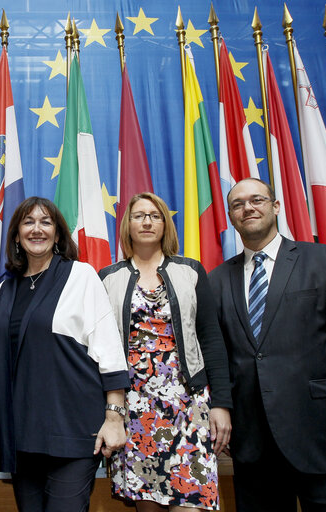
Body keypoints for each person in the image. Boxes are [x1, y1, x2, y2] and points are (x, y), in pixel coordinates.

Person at [208, 178, 326, 511]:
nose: (248, 207)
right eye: (238, 204)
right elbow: (220, 357)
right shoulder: (216, 280)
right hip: (254, 448)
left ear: (275, 207)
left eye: (257, 199)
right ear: (231, 217)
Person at [0, 196, 130, 512]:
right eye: (28, 222)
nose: (36, 229)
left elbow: (109, 351)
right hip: (21, 434)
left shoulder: (81, 276)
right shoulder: (5, 287)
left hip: (74, 431)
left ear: (58, 233)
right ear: (16, 235)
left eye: (45, 222)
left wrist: (114, 417)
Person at [99, 192, 232, 511]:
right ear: (127, 225)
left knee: (192, 505)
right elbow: (102, 350)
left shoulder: (191, 272)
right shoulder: (108, 278)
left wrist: (222, 405)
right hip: (136, 412)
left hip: (188, 410)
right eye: (138, 215)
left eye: (154, 215)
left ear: (165, 223)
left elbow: (211, 339)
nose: (146, 221)